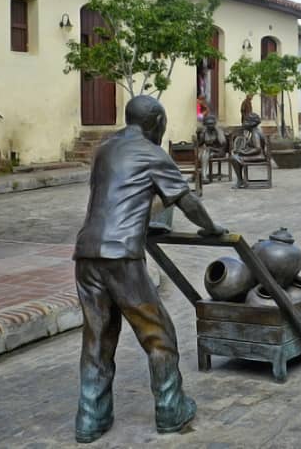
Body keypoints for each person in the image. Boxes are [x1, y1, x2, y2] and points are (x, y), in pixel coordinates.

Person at [73, 95, 226, 443]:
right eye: (164, 124)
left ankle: (90, 419)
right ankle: (171, 411)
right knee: (158, 334)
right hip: (121, 257)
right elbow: (186, 201)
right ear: (156, 121)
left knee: (97, 337)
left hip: (86, 253)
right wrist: (212, 229)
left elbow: (121, 195)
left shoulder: (105, 149)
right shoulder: (153, 153)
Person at [229, 112, 266, 188]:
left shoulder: (255, 133)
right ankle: (241, 180)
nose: (244, 123)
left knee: (234, 158)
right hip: (257, 155)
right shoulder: (253, 132)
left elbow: (257, 149)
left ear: (251, 123)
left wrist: (243, 153)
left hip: (259, 156)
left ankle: (240, 181)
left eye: (246, 121)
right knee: (236, 156)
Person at [195, 113, 228, 182]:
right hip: (208, 151)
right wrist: (200, 135)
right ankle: (201, 175)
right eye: (208, 124)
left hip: (219, 151)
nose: (210, 125)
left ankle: (203, 176)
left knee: (204, 154)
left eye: (211, 124)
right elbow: (200, 144)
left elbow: (223, 144)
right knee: (202, 154)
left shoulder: (219, 131)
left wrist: (217, 133)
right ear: (205, 124)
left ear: (214, 123)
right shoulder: (205, 132)